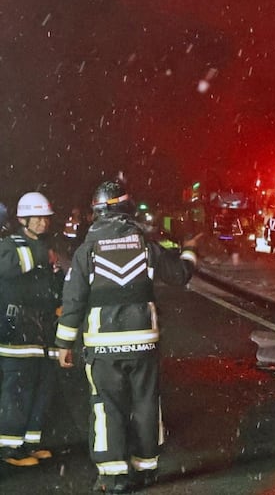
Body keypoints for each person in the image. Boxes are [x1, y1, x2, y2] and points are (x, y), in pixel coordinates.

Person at [56, 180, 201, 494]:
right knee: (146, 401)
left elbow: (73, 301)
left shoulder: (87, 250)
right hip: (143, 342)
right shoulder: (144, 245)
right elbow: (180, 274)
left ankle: (113, 475)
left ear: (97, 212)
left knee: (106, 404)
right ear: (127, 209)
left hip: (102, 345)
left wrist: (64, 344)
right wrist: (190, 249)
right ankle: (146, 467)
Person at [0, 191, 63, 468]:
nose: (42, 222)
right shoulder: (9, 246)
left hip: (42, 328)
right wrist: (41, 256)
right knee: (18, 389)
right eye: (36, 218)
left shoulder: (47, 247)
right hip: (17, 329)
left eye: (45, 217)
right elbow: (8, 269)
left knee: (43, 386)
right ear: (22, 219)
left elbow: (52, 284)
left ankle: (29, 442)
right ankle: (10, 447)